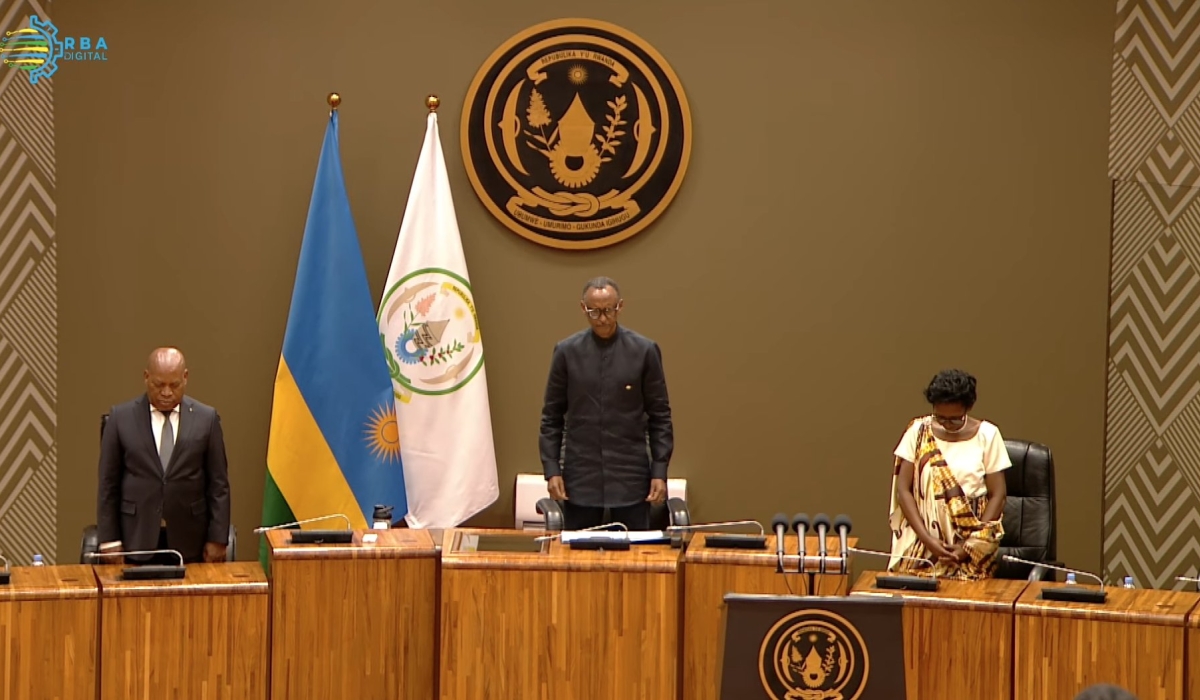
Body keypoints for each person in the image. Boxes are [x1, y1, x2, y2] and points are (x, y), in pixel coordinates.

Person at [539, 277, 674, 531]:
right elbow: (551, 417)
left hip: (631, 477)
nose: (602, 318)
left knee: (636, 559)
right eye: (594, 311)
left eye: (608, 310)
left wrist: (659, 471)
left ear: (619, 306)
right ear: (583, 308)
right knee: (579, 560)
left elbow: (660, 417)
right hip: (580, 479)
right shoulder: (566, 352)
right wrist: (552, 469)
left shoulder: (644, 351)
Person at [96, 347, 231, 564]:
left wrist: (218, 538)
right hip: (136, 538)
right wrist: (109, 540)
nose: (166, 392)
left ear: (185, 377)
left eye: (174, 385)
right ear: (146, 377)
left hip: (191, 540)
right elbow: (108, 484)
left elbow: (219, 485)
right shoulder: (120, 419)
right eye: (159, 385)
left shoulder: (207, 419)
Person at [888, 369, 1010, 580]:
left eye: (954, 419)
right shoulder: (918, 432)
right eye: (940, 417)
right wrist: (928, 540)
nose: (946, 424)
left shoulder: (988, 435)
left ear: (968, 408)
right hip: (923, 547)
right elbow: (903, 490)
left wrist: (969, 546)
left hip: (971, 546)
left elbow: (998, 495)